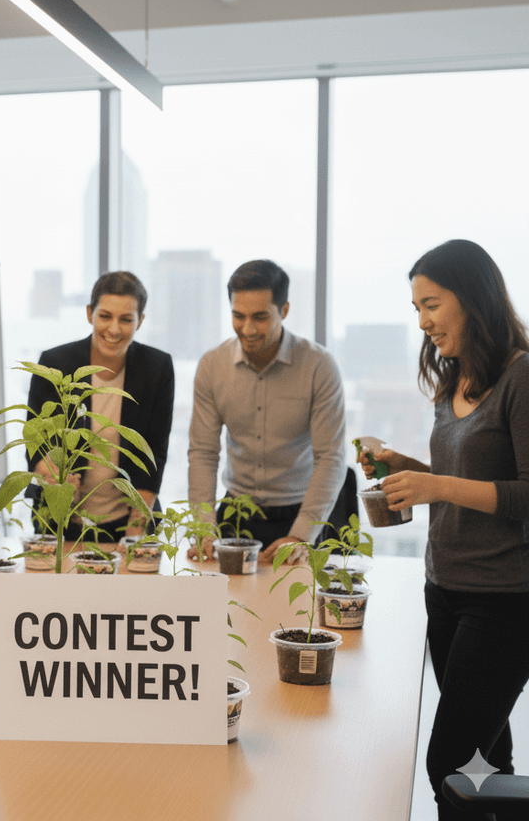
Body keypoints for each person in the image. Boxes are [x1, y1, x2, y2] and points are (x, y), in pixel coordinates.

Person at [360, 239, 528, 821]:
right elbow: (468, 478)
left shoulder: (521, 378)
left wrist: (437, 488)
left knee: (449, 762)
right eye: (416, 310)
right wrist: (414, 472)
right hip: (447, 588)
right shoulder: (452, 380)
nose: (424, 322)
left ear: (473, 299)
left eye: (432, 304)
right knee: (485, 758)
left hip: (504, 600)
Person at [188, 259, 347, 565]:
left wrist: (301, 535)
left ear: (284, 310)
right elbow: (203, 453)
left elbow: (331, 457)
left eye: (260, 317)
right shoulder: (212, 365)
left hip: (300, 515)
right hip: (234, 516)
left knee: (298, 611)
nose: (247, 329)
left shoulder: (319, 366)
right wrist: (203, 527)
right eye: (238, 316)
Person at [26, 271, 174, 541]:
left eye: (126, 319)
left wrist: (138, 524)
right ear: (89, 313)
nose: (114, 329)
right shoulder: (53, 364)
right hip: (61, 518)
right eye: (105, 316)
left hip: (127, 518)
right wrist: (49, 474)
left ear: (140, 321)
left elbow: (155, 449)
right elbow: (36, 441)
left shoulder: (157, 368)